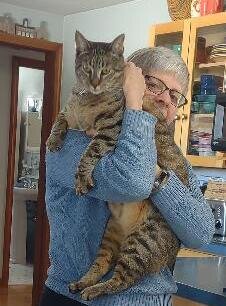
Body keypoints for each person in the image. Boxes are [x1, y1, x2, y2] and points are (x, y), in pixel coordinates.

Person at [39, 46, 215, 306]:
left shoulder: (172, 157)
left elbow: (202, 232)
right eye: (154, 85)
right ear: (125, 81)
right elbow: (133, 182)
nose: (166, 100)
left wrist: (158, 174)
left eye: (175, 96)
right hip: (73, 298)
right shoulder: (70, 142)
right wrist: (133, 106)